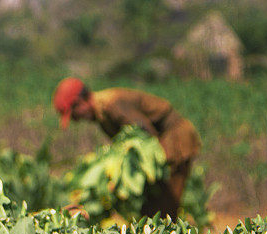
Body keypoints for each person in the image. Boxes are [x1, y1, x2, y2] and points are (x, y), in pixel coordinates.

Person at [53, 77, 201, 218]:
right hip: (163, 142)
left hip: (174, 139)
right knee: (151, 209)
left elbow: (145, 135)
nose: (77, 120)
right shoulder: (102, 114)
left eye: (74, 115)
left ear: (80, 102)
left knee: (163, 206)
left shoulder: (112, 104)